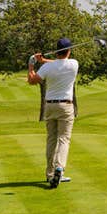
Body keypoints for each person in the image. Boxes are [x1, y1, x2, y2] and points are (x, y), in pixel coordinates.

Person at [27, 38, 78, 188]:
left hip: (49, 106)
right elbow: (59, 64)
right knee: (64, 139)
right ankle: (59, 168)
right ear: (69, 50)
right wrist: (43, 60)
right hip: (66, 106)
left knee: (51, 139)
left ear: (56, 51)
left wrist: (31, 65)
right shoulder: (74, 64)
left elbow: (32, 80)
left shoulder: (47, 69)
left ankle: (50, 174)